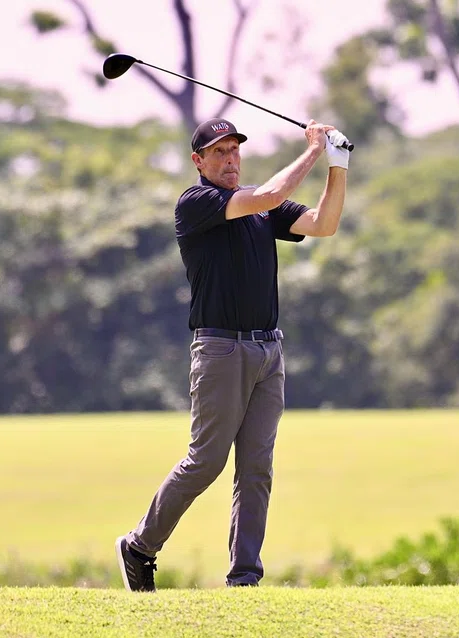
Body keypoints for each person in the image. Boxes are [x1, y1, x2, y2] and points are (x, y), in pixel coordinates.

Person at [115, 116, 350, 591]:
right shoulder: (196, 202)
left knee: (257, 467)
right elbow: (264, 197)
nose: (230, 160)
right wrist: (313, 149)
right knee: (206, 460)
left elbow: (324, 224)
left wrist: (337, 165)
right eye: (219, 153)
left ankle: (245, 577)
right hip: (220, 348)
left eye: (235, 151)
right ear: (198, 161)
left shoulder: (266, 210)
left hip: (268, 351)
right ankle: (140, 545)